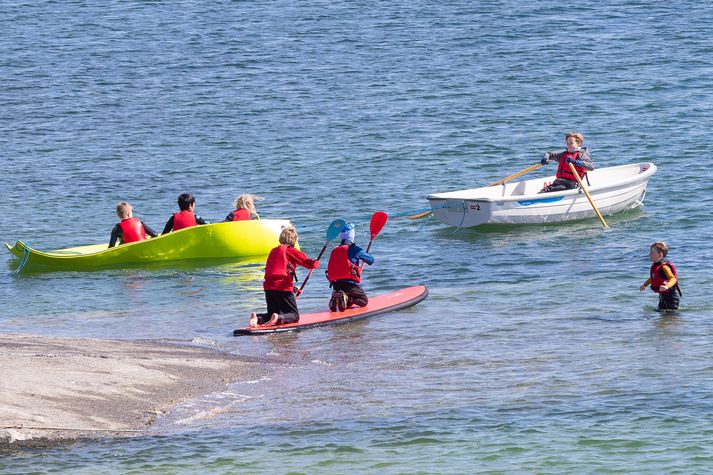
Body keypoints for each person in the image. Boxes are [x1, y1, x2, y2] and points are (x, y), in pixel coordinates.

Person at [249, 225, 319, 327]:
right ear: (294, 240)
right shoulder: (291, 250)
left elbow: (275, 274)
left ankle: (258, 318)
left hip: (268, 288)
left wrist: (293, 289)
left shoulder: (273, 251)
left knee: (270, 314)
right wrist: (316, 262)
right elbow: (309, 264)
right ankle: (278, 318)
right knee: (294, 315)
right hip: (282, 288)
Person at [326, 222, 374, 312]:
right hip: (350, 285)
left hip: (335, 285)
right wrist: (363, 254)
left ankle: (339, 297)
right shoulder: (354, 249)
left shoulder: (335, 250)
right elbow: (371, 260)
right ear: (352, 235)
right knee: (364, 301)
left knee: (346, 305)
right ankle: (347, 298)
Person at [639, 241, 682, 311]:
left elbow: (673, 279)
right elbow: (653, 277)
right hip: (662, 295)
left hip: (671, 297)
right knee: (660, 312)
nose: (649, 254)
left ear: (660, 255)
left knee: (670, 314)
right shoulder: (656, 266)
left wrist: (666, 286)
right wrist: (645, 285)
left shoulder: (664, 267)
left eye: (652, 253)